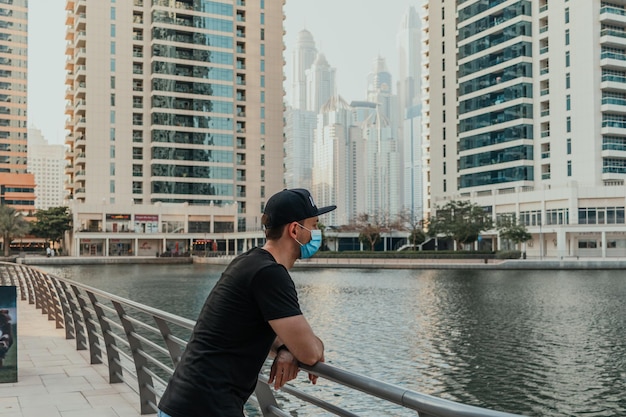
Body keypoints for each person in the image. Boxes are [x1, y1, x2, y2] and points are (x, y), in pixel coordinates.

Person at [158, 188, 336, 417]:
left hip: (183, 403)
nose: (316, 232)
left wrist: (286, 348)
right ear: (294, 230)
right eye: (313, 225)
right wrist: (312, 345)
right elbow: (310, 353)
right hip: (205, 408)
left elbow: (255, 331)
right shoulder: (271, 275)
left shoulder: (248, 262)